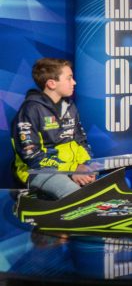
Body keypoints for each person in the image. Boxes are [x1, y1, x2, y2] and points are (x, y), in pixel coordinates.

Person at [11, 58, 95, 199]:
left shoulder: (70, 106)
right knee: (76, 194)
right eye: (69, 78)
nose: (74, 82)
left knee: (102, 187)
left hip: (72, 167)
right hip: (37, 171)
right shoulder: (31, 109)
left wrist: (85, 165)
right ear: (51, 84)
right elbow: (32, 156)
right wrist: (72, 169)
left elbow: (81, 141)